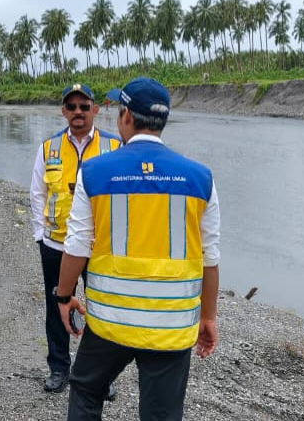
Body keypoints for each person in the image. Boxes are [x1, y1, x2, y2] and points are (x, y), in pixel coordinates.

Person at [56, 77, 221, 421]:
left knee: (86, 391)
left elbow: (77, 244)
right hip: (172, 324)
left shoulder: (95, 171)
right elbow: (210, 257)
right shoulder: (200, 178)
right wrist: (207, 317)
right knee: (161, 414)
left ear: (126, 115)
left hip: (110, 320)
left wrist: (64, 295)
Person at [29, 83, 120, 394]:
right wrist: (40, 234)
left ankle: (101, 375)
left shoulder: (114, 147)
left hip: (100, 249)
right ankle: (58, 367)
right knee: (57, 306)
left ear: (95, 109)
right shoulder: (48, 148)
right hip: (56, 246)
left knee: (102, 309)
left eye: (84, 106)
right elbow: (36, 194)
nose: (78, 112)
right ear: (63, 111)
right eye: (72, 107)